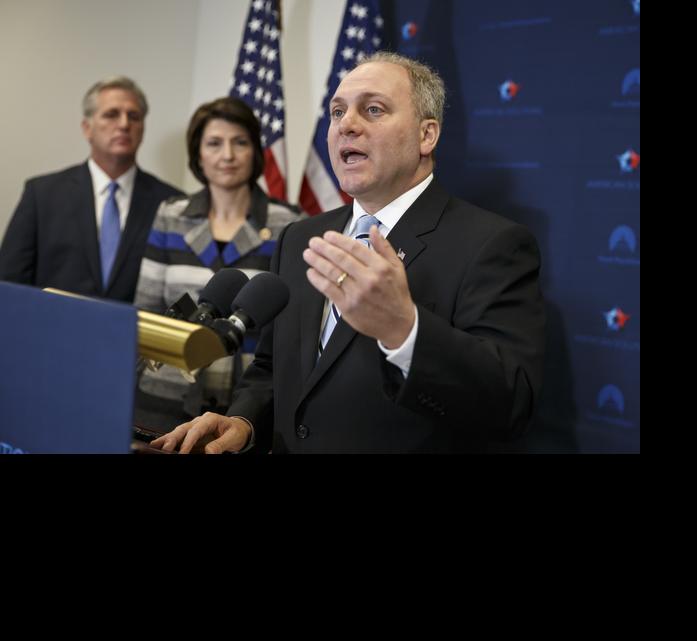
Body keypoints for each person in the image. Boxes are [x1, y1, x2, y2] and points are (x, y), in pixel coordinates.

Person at [153, 52, 545, 453]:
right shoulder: (300, 238)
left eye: (373, 110)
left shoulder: (491, 245)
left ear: (427, 136)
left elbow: (510, 404)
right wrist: (243, 421)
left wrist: (404, 331)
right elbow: (273, 370)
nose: (347, 125)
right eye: (337, 112)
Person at [132, 97, 303, 431]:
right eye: (214, 143)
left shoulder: (290, 224)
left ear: (255, 151)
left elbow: (289, 331)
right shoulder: (171, 215)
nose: (227, 155)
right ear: (198, 154)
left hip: (242, 411)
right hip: (162, 400)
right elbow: (146, 310)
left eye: (240, 142)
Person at [0, 76, 183, 303]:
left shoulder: (170, 203)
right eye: (111, 114)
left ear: (143, 128)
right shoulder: (42, 195)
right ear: (87, 128)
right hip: (53, 333)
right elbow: (9, 282)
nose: (124, 124)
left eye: (134, 116)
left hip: (134, 336)